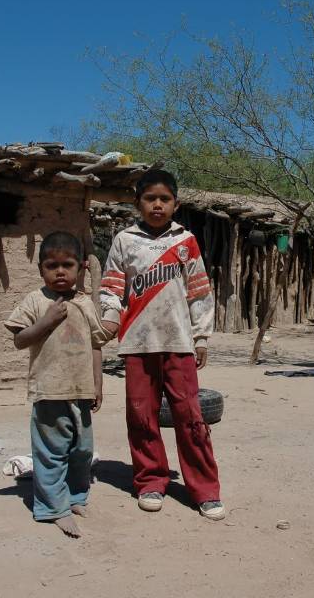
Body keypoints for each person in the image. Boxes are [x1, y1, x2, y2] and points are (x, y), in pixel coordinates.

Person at [100, 170, 225, 521]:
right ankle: (150, 481)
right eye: (150, 198)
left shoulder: (186, 241)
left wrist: (201, 337)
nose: (157, 205)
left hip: (179, 342)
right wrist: (109, 317)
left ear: (176, 204)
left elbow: (199, 292)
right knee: (141, 415)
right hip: (137, 342)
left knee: (191, 417)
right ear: (137, 203)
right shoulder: (124, 241)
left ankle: (205, 489)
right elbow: (111, 288)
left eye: (164, 199)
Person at [5, 231, 115, 538]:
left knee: (81, 451)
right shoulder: (35, 301)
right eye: (52, 266)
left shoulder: (86, 303)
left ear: (81, 268)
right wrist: (46, 322)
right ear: (41, 268)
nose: (60, 272)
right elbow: (19, 339)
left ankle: (76, 496)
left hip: (81, 390)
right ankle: (53, 508)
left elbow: (95, 344)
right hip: (49, 390)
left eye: (67, 265)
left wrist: (97, 384)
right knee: (51, 452)